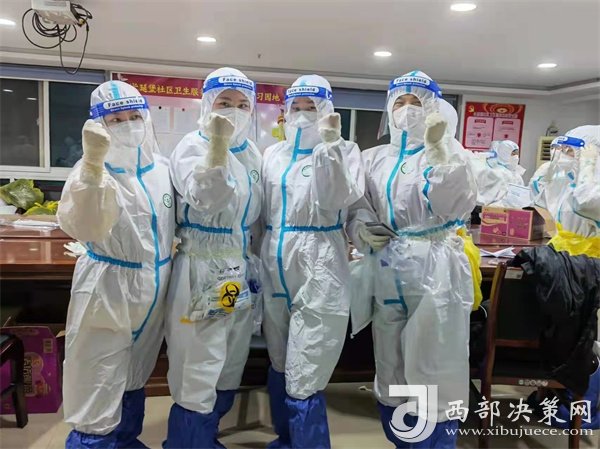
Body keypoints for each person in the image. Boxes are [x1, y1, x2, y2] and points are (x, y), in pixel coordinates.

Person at [357, 70, 478, 448]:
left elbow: (454, 204)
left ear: (433, 109)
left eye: (417, 103)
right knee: (390, 363)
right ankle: (403, 438)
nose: (407, 110)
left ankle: (433, 441)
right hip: (388, 266)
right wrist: (362, 230)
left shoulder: (453, 152)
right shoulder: (373, 158)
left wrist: (439, 152)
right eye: (400, 102)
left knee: (433, 364)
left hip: (436, 267)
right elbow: (359, 206)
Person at [57, 80, 175, 448]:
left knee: (135, 371)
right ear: (100, 125)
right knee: (99, 375)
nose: (128, 125)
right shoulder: (92, 171)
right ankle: (93, 442)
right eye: (116, 119)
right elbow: (85, 226)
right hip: (108, 287)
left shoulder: (161, 169)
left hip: (155, 284)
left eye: (134, 116)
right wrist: (93, 167)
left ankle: (124, 440)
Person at [260, 74, 370, 448]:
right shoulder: (272, 155)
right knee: (279, 356)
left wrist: (330, 148)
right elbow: (260, 211)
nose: (304, 114)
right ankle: (285, 439)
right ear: (286, 111)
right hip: (274, 258)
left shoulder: (347, 150)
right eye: (298, 107)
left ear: (327, 111)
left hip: (321, 260)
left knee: (307, 363)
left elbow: (339, 199)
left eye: (313, 107)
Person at [164, 67, 263, 448]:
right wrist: (217, 146)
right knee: (199, 360)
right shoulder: (192, 146)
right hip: (202, 264)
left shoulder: (251, 152)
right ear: (207, 104)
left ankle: (207, 434)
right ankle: (188, 442)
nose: (233, 111)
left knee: (229, 357)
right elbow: (207, 197)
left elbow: (256, 214)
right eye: (224, 103)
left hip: (235, 267)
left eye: (242, 105)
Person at [530, 125, 600, 256]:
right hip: (566, 255)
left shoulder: (590, 186)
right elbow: (543, 203)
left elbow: (584, 203)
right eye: (563, 149)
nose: (563, 154)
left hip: (590, 260)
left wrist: (588, 165)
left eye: (569, 150)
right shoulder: (572, 182)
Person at [471, 139, 526, 207]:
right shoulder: (497, 173)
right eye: (513, 154)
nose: (516, 157)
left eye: (517, 154)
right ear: (505, 154)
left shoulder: (517, 175)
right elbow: (487, 198)